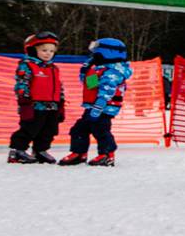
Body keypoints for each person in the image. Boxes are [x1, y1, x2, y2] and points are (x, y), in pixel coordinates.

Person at [58, 37, 131, 167]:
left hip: (104, 107)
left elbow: (107, 90)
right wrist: (85, 70)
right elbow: (91, 86)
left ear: (107, 52)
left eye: (96, 50)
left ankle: (107, 154)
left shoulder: (114, 71)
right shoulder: (99, 68)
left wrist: (99, 106)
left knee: (101, 130)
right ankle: (79, 153)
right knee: (79, 129)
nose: (93, 54)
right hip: (93, 106)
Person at [8, 30, 66, 163]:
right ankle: (17, 151)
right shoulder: (28, 65)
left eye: (51, 51)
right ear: (33, 50)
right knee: (30, 128)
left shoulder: (53, 68)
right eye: (44, 50)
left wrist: (61, 102)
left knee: (49, 130)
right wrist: (24, 101)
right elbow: (22, 83)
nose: (48, 54)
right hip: (34, 105)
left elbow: (59, 86)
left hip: (52, 105)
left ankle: (40, 150)